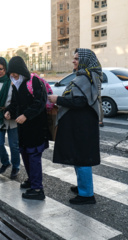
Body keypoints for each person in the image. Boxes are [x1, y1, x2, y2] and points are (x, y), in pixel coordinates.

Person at [48, 48, 101, 205]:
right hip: (80, 124)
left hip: (83, 126)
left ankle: (87, 195)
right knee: (79, 157)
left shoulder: (85, 78)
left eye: (77, 58)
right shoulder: (84, 76)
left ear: (84, 61)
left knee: (83, 158)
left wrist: (58, 99)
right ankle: (83, 187)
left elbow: (80, 102)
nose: (74, 61)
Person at [4, 56, 48, 200]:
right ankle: (32, 180)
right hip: (23, 127)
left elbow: (40, 103)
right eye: (11, 72)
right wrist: (9, 110)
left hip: (36, 127)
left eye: (14, 72)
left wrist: (26, 115)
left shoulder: (33, 81)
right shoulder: (15, 83)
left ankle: (37, 189)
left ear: (21, 70)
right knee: (25, 153)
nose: (13, 75)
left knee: (34, 155)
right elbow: (16, 102)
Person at [0, 57, 20, 179]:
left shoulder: (12, 80)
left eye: (1, 69)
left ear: (6, 68)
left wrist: (11, 111)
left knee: (14, 145)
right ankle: (6, 162)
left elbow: (17, 100)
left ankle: (16, 167)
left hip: (12, 117)